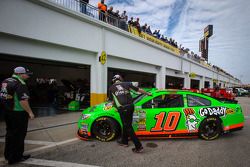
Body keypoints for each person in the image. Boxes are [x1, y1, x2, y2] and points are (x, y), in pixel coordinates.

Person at [0, 67, 35, 165]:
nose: (28, 76)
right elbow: (23, 101)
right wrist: (30, 112)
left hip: (8, 112)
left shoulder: (5, 81)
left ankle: (8, 155)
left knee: (10, 134)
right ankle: (16, 157)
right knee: (19, 135)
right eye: (27, 74)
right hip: (18, 113)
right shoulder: (20, 84)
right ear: (19, 74)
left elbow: (3, 96)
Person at [108, 75, 151, 153]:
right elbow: (139, 90)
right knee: (126, 125)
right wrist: (148, 93)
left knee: (128, 127)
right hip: (131, 107)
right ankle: (124, 141)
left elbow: (113, 101)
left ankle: (138, 146)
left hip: (123, 108)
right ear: (120, 79)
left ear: (113, 81)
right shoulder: (127, 84)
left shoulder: (111, 88)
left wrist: (114, 107)